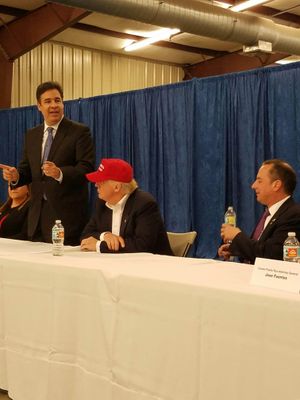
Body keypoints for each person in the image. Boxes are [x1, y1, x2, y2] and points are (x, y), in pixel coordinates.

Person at [0, 81, 95, 245]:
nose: (54, 105)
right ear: (39, 106)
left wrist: (60, 173)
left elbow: (86, 168)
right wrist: (16, 177)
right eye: (48, 101)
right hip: (36, 217)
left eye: (57, 100)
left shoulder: (79, 132)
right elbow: (26, 170)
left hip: (66, 217)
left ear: (63, 103)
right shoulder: (32, 135)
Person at [80, 158, 173, 255]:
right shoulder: (102, 203)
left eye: (101, 181)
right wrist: (105, 236)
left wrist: (99, 245)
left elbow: (142, 246)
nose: (96, 185)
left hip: (154, 267)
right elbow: (86, 236)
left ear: (116, 187)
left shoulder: (144, 204)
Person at [218, 159, 300, 264]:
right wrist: (235, 249)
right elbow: (261, 249)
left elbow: (273, 255)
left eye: (259, 181)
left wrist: (237, 236)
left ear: (276, 185)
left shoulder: (293, 215)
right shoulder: (270, 213)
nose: (253, 185)